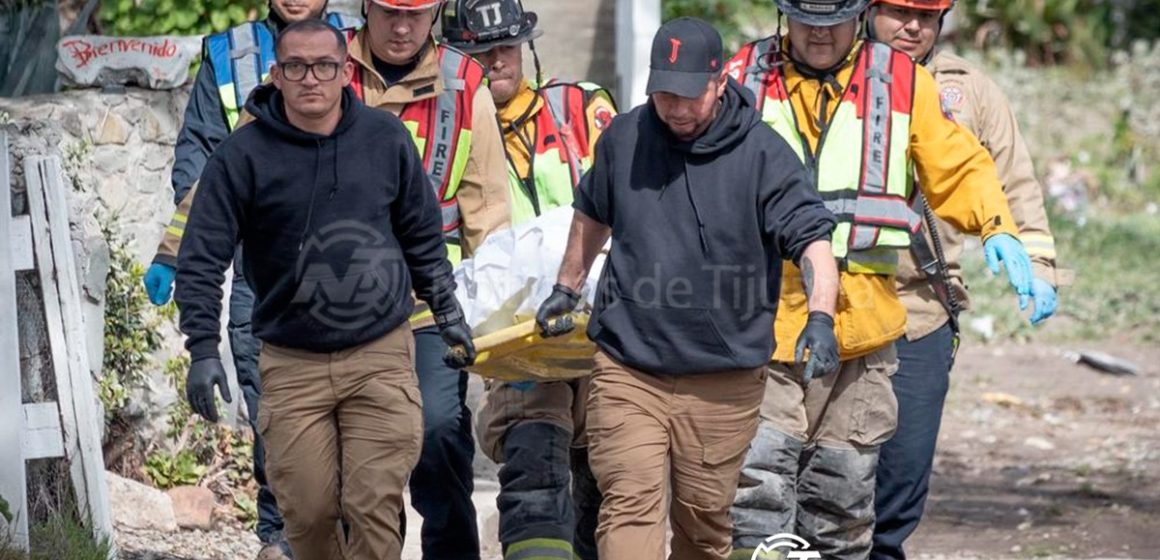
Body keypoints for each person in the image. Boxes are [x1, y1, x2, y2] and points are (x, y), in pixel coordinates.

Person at [151, 1, 510, 555]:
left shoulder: (447, 94)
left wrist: (465, 317)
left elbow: (460, 219)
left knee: (402, 476)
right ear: (278, 73)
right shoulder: (252, 144)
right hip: (293, 348)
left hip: (393, 332)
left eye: (415, 14)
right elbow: (206, 236)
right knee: (312, 511)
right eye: (296, 68)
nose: (401, 25)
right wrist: (199, 340)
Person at [725, 1, 1035, 558]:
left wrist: (995, 225)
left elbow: (956, 165)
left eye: (833, 23)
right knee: (759, 498)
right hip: (762, 324)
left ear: (858, 15)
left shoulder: (900, 82)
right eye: (808, 23)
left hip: (861, 328)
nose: (820, 37)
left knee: (841, 506)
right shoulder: (743, 77)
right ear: (784, 16)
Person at [537, 17, 840, 560]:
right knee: (629, 504)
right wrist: (566, 287)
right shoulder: (626, 137)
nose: (674, 108)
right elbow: (592, 211)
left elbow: (813, 240)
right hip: (629, 366)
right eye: (663, 94)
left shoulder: (763, 155)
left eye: (687, 95)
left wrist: (821, 317)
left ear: (719, 82)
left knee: (703, 524)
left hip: (722, 379)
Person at [140, 2, 361, 557]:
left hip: (351, 268)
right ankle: (280, 535)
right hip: (261, 269)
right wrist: (180, 249)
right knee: (273, 408)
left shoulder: (362, 42)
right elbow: (205, 165)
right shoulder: (227, 54)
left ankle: (352, 532)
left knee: (358, 416)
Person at [866, 1, 1060, 558]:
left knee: (898, 488)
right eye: (900, 12)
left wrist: (1039, 265)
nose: (913, 27)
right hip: (832, 304)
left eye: (926, 16)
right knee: (820, 483)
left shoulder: (971, 91)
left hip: (921, 309)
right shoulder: (836, 78)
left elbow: (1015, 183)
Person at [439, 1, 617, 558]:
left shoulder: (582, 107)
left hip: (597, 318)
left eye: (506, 48)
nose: (497, 62)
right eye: (480, 52)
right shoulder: (451, 130)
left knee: (604, 471)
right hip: (515, 338)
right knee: (534, 462)